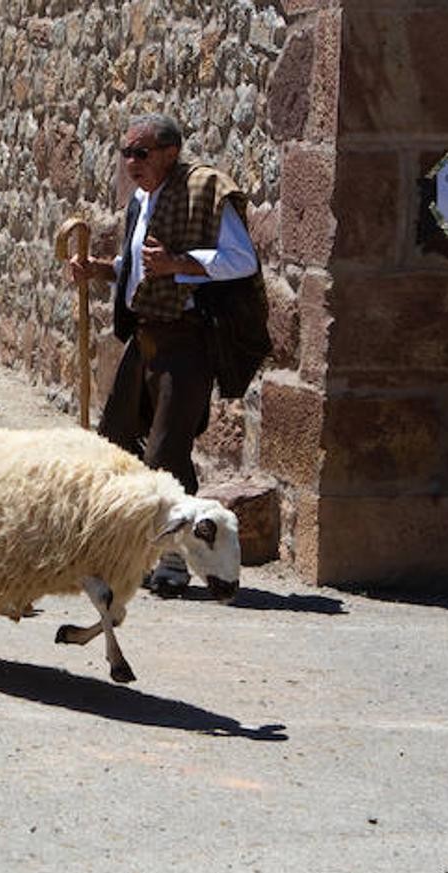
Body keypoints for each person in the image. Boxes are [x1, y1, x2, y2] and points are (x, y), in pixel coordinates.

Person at [64, 113, 260, 595]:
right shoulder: (143, 198)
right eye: (127, 153)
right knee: (116, 438)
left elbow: (242, 261)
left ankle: (172, 560)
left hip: (187, 339)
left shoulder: (206, 191)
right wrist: (101, 270)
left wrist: (179, 263)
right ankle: (132, 544)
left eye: (142, 153)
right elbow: (137, 268)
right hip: (145, 336)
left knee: (166, 451)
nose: (132, 162)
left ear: (170, 152)